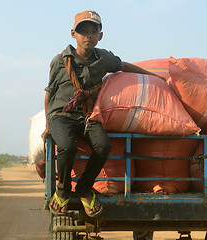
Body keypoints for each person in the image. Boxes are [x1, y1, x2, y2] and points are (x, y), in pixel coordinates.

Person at [41, 10, 165, 217]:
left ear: (100, 35)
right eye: (83, 31)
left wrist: (155, 77)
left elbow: (123, 66)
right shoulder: (60, 61)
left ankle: (83, 189)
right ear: (73, 34)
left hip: (89, 116)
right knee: (67, 146)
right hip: (61, 116)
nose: (88, 36)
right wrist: (47, 125)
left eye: (93, 31)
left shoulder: (103, 58)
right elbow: (49, 93)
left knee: (103, 145)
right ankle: (62, 191)